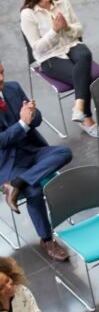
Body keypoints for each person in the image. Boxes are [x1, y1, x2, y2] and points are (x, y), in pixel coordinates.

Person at [0, 60, 71, 262]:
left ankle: (16, 184)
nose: (1, 78)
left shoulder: (12, 88)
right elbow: (2, 141)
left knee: (64, 152)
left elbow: (37, 121)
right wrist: (23, 123)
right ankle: (47, 239)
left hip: (32, 150)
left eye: (2, 72)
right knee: (34, 191)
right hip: (7, 163)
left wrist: (32, 112)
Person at [20, 0, 99, 136]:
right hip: (49, 56)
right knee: (84, 76)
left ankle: (78, 108)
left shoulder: (62, 1)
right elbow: (37, 48)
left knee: (85, 54)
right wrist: (54, 31)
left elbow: (79, 29)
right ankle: (87, 117)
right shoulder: (27, 14)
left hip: (71, 44)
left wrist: (68, 28)